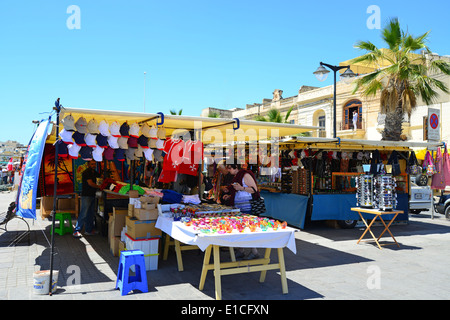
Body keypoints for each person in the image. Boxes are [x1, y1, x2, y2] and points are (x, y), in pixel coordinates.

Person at [223, 163, 260, 260]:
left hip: (247, 207)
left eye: (230, 168)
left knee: (247, 229)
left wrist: (241, 188)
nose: (229, 170)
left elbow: (254, 189)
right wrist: (230, 196)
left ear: (236, 167)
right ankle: (241, 250)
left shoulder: (245, 175)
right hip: (239, 206)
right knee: (240, 228)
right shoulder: (237, 176)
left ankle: (254, 252)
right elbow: (240, 193)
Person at [73, 160, 101, 238]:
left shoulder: (95, 173)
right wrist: (99, 187)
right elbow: (90, 183)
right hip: (86, 195)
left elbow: (99, 180)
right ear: (88, 164)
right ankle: (77, 231)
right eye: (92, 164)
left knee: (90, 213)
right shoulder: (86, 172)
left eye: (94, 164)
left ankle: (88, 230)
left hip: (93, 195)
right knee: (83, 213)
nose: (93, 165)